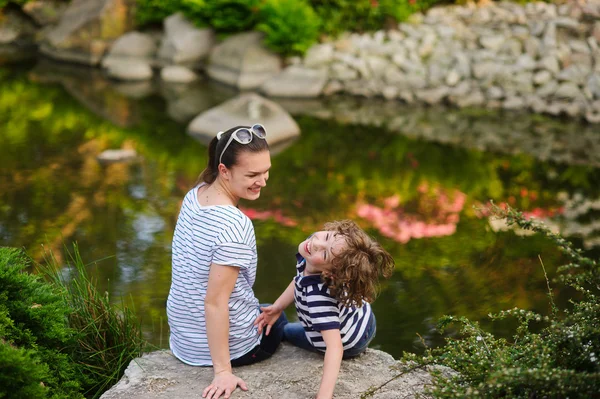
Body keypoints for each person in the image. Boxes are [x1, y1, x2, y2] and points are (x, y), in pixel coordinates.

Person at [167, 124, 287, 399]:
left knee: (266, 307)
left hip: (183, 339)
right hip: (233, 348)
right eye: (253, 174)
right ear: (224, 170)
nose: (263, 181)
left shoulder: (195, 195)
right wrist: (223, 371)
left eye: (266, 171)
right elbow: (215, 302)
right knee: (276, 318)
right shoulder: (235, 226)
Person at [255, 220, 395, 399]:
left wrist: (324, 395)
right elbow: (298, 281)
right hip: (361, 317)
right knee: (270, 310)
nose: (316, 242)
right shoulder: (310, 256)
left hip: (353, 340)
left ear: (331, 273)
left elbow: (335, 347)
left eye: (325, 252)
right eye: (327, 236)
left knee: (286, 331)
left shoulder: (319, 298)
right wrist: (277, 307)